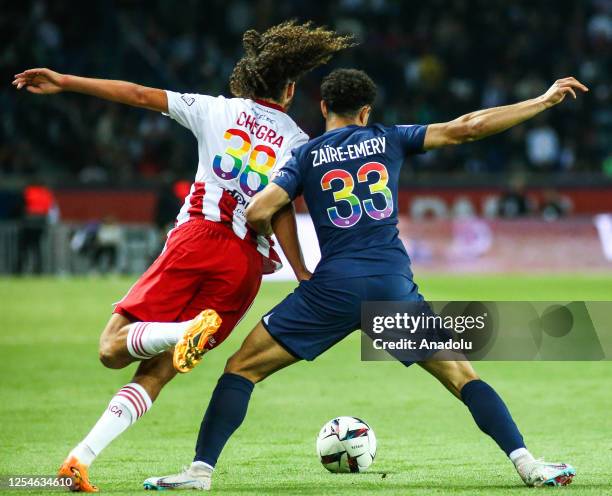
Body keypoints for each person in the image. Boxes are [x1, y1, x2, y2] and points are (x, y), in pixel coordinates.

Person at [145, 69, 588, 490]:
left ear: (322, 107)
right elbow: (468, 126)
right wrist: (541, 100)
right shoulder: (389, 138)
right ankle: (527, 464)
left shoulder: (304, 155)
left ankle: (201, 471)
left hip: (331, 289)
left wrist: (292, 263)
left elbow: (260, 210)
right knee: (462, 378)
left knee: (242, 368)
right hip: (390, 286)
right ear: (366, 112)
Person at [12, 21, 353, 492]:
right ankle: (79, 460)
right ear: (291, 88)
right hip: (245, 269)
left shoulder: (213, 109)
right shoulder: (297, 141)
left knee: (112, 347)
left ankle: (179, 332)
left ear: (248, 79)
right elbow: (280, 214)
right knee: (158, 368)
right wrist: (300, 270)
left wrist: (66, 81)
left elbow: (136, 93)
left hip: (198, 239)